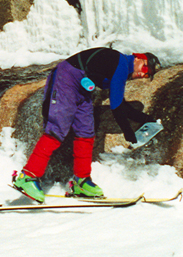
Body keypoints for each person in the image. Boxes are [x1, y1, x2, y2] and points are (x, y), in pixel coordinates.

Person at [12, 48, 162, 202]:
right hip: (66, 79)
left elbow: (121, 104)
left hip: (82, 90)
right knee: (57, 130)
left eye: (147, 75)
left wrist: (145, 118)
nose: (143, 74)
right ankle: (28, 176)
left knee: (86, 132)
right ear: (137, 58)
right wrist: (127, 131)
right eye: (145, 68)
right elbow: (116, 106)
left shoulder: (122, 69)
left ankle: (81, 182)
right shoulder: (122, 64)